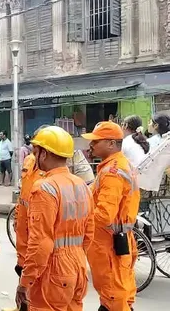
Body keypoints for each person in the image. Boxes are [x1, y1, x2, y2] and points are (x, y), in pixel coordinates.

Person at [16, 126, 95, 311]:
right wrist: (74, 255)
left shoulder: (45, 188)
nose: (34, 158)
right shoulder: (82, 185)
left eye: (36, 152)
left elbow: (40, 243)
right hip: (78, 266)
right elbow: (89, 232)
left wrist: (25, 282)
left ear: (44, 153)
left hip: (53, 271)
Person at [82, 121, 140, 311]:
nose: (91, 145)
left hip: (108, 245)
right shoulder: (118, 166)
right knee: (122, 292)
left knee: (113, 295)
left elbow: (105, 215)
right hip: (119, 240)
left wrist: (81, 221)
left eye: (96, 141)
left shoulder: (112, 172)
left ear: (111, 143)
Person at [14, 126, 49, 281]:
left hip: (38, 224)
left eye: (38, 145)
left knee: (37, 269)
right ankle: (22, 303)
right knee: (22, 266)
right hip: (23, 221)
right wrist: (17, 215)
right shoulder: (29, 160)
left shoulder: (50, 168)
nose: (34, 148)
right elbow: (23, 192)